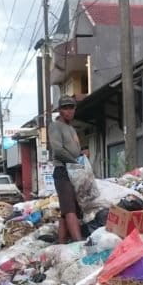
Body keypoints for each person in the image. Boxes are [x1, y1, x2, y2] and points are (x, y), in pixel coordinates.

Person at [49, 95, 83, 243]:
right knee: (70, 210)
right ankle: (79, 243)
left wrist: (81, 156)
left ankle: (61, 242)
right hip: (63, 171)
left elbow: (74, 150)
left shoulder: (71, 128)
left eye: (71, 107)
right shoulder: (55, 126)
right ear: (60, 110)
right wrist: (76, 162)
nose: (69, 111)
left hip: (73, 171)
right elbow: (58, 150)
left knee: (67, 209)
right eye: (65, 108)